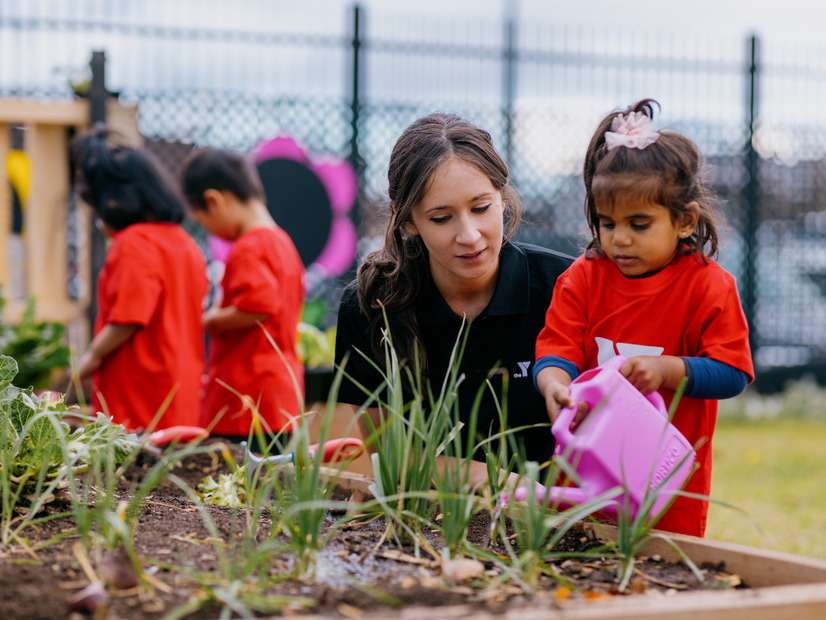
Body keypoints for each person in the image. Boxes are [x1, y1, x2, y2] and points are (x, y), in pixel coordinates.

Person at [534, 99, 754, 537]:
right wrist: (554, 384)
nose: (620, 239)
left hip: (666, 485)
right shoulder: (582, 279)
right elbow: (556, 349)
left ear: (685, 221)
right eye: (607, 222)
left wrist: (667, 369)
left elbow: (733, 372)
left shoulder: (710, 287)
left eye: (639, 224)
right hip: (583, 476)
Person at [334, 112, 573, 488]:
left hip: (561, 518)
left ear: (502, 196)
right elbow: (393, 458)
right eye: (442, 218)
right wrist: (498, 481)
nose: (470, 235)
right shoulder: (371, 305)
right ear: (407, 220)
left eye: (481, 208)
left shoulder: (565, 287)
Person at [72, 127, 209, 431]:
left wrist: (92, 356)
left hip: (139, 398)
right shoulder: (185, 243)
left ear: (114, 201)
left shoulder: (134, 243)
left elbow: (129, 317)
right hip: (178, 395)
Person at [181, 147, 305, 440]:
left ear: (214, 201)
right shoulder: (283, 243)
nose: (208, 230)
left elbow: (259, 304)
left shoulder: (249, 247)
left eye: (202, 220)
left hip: (247, 400)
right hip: (280, 396)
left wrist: (212, 320)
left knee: (235, 481)